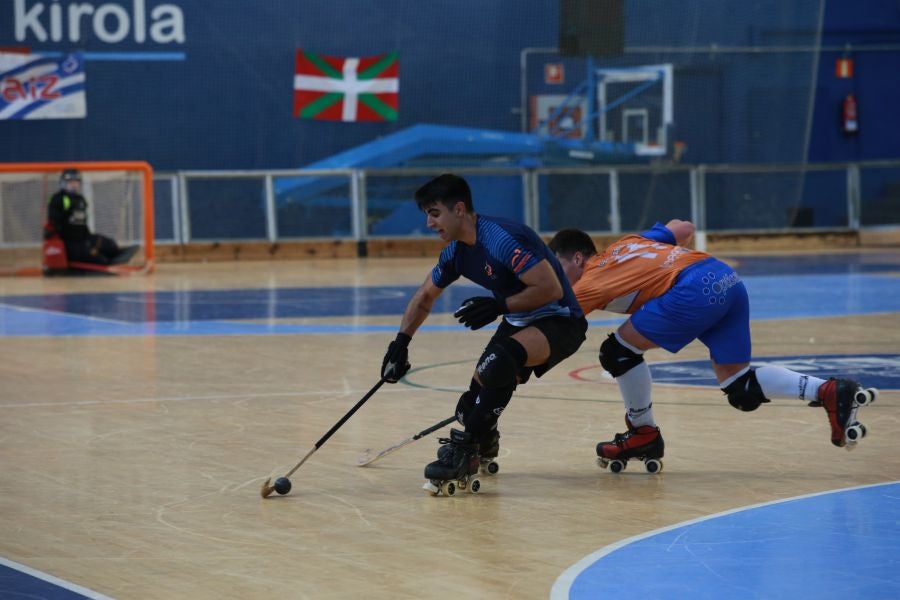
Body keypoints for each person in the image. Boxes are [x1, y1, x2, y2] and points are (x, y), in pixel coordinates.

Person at [548, 221, 877, 473]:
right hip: (725, 278)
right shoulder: (630, 243)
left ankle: (642, 432)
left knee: (617, 352)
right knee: (740, 387)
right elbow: (685, 227)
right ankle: (830, 391)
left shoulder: (587, 280)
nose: (558, 279)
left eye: (559, 269)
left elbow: (546, 318)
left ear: (578, 258)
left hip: (694, 289)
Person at [381, 174, 588, 494]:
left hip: (560, 321)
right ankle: (485, 437)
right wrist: (400, 343)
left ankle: (466, 448)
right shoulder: (455, 253)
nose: (428, 223)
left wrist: (497, 305)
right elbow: (424, 297)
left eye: (434, 213)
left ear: (459, 209)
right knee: (469, 407)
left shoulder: (501, 239)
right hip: (519, 320)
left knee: (497, 366)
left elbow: (550, 288)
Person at [45, 169, 135, 267]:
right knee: (100, 260)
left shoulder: (81, 200)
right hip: (70, 243)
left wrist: (88, 240)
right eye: (70, 182)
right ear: (63, 183)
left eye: (76, 182)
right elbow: (53, 222)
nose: (73, 185)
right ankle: (102, 261)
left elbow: (82, 223)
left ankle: (115, 255)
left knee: (110, 245)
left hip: (84, 238)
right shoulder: (58, 198)